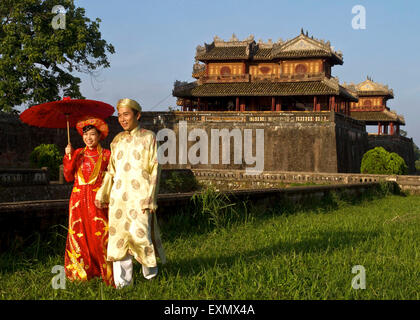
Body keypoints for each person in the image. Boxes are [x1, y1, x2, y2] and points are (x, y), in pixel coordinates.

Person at [95, 98, 166, 288]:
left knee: (141, 236)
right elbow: (111, 170)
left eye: (126, 114)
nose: (122, 119)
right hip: (119, 198)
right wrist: (103, 193)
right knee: (119, 239)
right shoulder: (117, 140)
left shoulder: (148, 137)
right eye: (120, 115)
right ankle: (123, 284)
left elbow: (155, 168)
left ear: (137, 115)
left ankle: (150, 277)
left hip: (140, 197)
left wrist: (151, 198)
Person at [63, 116, 114, 286]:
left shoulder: (107, 155)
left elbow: (113, 178)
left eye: (92, 134)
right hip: (77, 201)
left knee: (100, 234)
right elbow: (68, 176)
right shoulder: (77, 153)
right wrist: (68, 158)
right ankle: (81, 272)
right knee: (78, 234)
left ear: (100, 136)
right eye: (86, 135)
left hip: (98, 200)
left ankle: (105, 271)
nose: (89, 138)